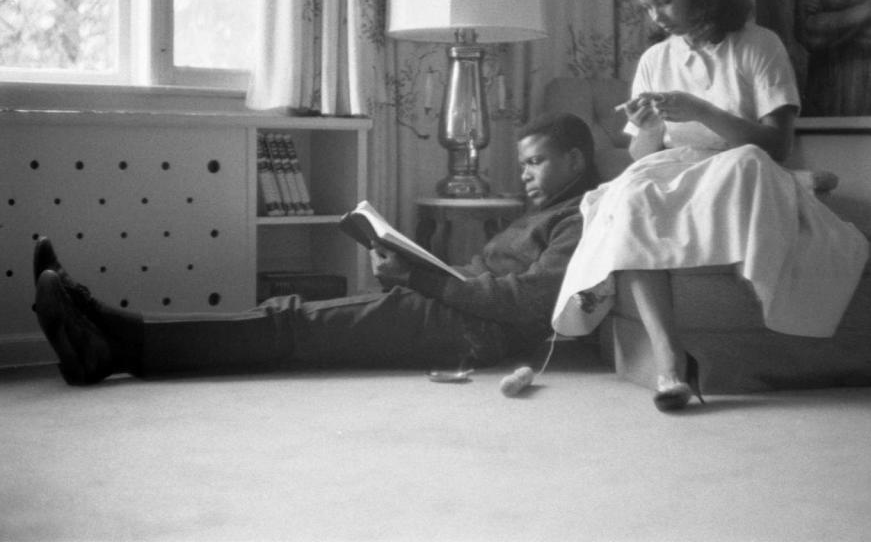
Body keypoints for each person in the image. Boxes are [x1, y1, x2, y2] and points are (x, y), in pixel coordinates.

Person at [33, 113, 600, 386]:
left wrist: (420, 279)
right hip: (447, 311)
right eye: (523, 162)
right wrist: (406, 270)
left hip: (467, 330)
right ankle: (110, 343)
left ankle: (118, 338)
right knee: (295, 323)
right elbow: (485, 282)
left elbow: (526, 301)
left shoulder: (578, 218)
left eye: (537, 161)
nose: (524, 174)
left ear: (575, 159)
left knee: (291, 325)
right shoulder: (545, 212)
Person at [551, 0, 869, 411]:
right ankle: (670, 363)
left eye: (664, 0)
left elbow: (776, 143)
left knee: (743, 164)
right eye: (647, 7)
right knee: (631, 193)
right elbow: (641, 156)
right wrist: (650, 127)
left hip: (743, 164)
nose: (657, 16)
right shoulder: (656, 60)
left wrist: (700, 110)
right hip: (678, 168)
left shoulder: (759, 44)